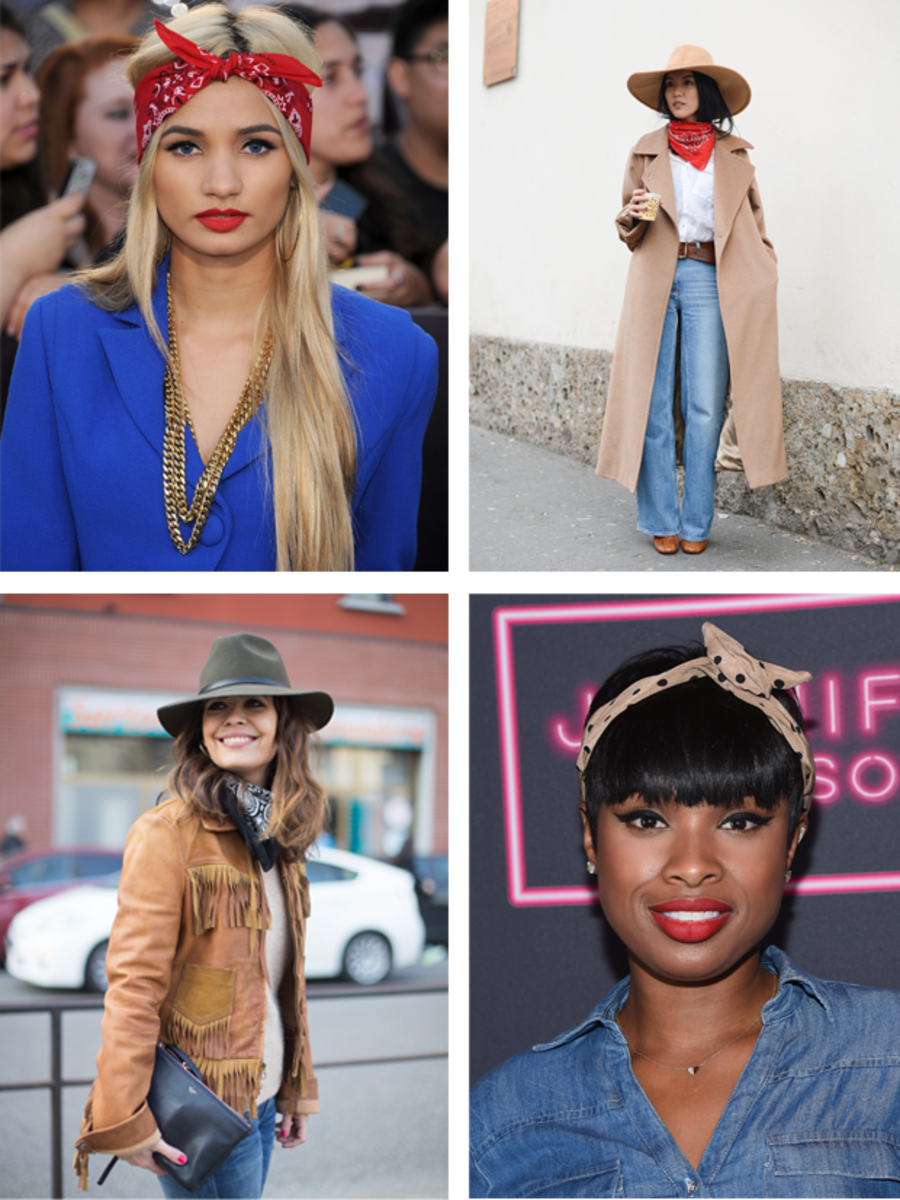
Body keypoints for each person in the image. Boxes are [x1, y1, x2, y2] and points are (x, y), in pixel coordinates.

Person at [0, 3, 438, 573]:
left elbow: (383, 566)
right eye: (186, 146)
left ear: (296, 166)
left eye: (256, 145)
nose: (222, 183)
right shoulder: (60, 331)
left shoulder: (398, 354)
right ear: (150, 164)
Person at [468, 622, 900, 1195]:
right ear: (591, 838)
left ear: (793, 841)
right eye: (647, 820)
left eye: (739, 822)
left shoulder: (887, 1060)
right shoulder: (501, 1122)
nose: (693, 866)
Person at [73, 632, 334, 1196]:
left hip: (260, 1102)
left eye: (254, 704)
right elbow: (133, 983)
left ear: (282, 722)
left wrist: (294, 1088)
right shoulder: (167, 834)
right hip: (206, 1103)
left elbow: (283, 983)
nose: (233, 719)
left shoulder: (280, 839)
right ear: (200, 729)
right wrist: (124, 1114)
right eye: (218, 706)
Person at [596, 46, 786, 557]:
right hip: (656, 274)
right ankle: (661, 517)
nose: (677, 93)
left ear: (706, 90)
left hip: (710, 278)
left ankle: (697, 522)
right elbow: (629, 230)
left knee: (703, 404)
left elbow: (756, 228)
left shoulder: (734, 154)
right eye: (671, 85)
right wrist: (631, 214)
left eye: (688, 83)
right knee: (653, 404)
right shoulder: (645, 150)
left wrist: (763, 271)